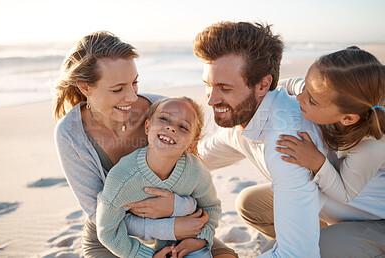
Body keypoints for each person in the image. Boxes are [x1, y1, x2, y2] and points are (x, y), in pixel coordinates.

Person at [53, 31, 237, 257]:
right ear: (85, 88)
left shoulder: (163, 112)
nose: (130, 97)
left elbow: (195, 183)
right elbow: (97, 213)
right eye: (118, 89)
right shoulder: (70, 134)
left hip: (176, 219)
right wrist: (163, 229)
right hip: (114, 232)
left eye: (134, 83)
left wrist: (175, 210)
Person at [193, 21, 326, 257]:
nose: (211, 100)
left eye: (224, 88)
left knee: (322, 248)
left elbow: (297, 255)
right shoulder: (247, 114)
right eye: (209, 85)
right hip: (327, 201)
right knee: (249, 203)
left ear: (263, 85)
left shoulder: (285, 143)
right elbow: (196, 159)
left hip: (374, 218)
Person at [275, 47, 385, 257]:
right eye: (305, 88)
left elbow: (345, 193)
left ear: (348, 119)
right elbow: (290, 85)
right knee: (251, 204)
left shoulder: (369, 147)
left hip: (376, 214)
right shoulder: (325, 90)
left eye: (311, 101)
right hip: (362, 203)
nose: (300, 97)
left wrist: (317, 162)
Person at [96, 97, 221, 258]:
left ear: (191, 145)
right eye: (164, 119)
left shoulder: (195, 170)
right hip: (144, 250)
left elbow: (211, 207)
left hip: (189, 244)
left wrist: (201, 239)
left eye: (183, 126)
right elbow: (107, 231)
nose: (171, 127)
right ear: (147, 126)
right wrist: (146, 255)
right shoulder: (122, 178)